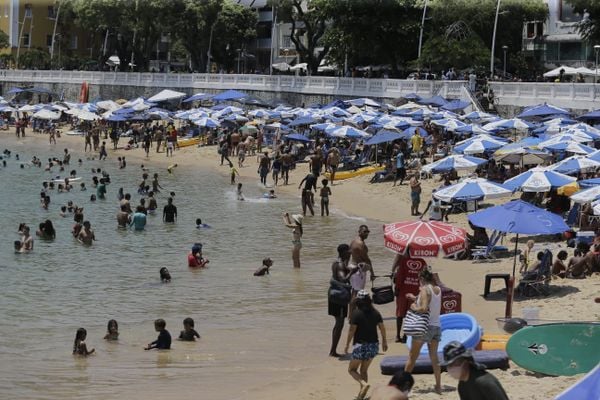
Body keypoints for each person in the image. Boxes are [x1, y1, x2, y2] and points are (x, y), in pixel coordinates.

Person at [344, 290, 388, 400]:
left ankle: (363, 384)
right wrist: (384, 341)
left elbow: (351, 331)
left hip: (360, 346)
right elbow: (382, 327)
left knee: (352, 370)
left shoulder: (356, 313)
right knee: (364, 370)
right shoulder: (376, 312)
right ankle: (361, 395)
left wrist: (347, 344)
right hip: (373, 346)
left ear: (357, 301)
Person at [404, 268, 442, 394]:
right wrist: (415, 298)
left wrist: (413, 306)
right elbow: (430, 303)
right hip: (436, 326)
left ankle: (403, 387)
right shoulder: (438, 289)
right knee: (434, 358)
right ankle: (438, 386)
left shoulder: (425, 289)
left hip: (424, 327)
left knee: (412, 358)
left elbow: (424, 308)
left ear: (421, 279)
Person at [440, 341, 509, 400]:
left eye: (455, 363)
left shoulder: (484, 382)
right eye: (449, 365)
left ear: (466, 361)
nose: (452, 368)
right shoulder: (462, 385)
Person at [392, 254, 427, 343]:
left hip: (403, 291)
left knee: (399, 313)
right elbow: (425, 277)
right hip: (415, 291)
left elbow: (400, 276)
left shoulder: (404, 261)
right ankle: (405, 335)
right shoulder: (422, 262)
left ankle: (397, 335)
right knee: (411, 313)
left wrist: (397, 288)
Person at [329, 244, 356, 357]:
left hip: (334, 295)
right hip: (339, 297)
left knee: (338, 323)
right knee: (339, 324)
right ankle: (333, 351)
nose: (350, 253)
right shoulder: (340, 264)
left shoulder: (337, 262)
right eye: (348, 251)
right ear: (343, 252)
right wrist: (352, 272)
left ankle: (333, 350)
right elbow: (343, 279)